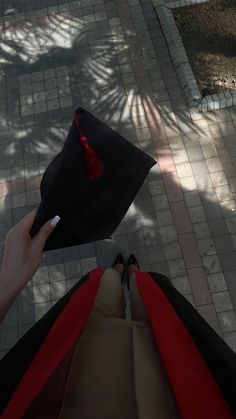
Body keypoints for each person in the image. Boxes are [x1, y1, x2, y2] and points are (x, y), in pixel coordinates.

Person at [0, 210, 236, 419]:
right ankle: (132, 276)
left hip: (65, 388)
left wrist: (9, 282)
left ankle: (120, 273)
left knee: (103, 292)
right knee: (150, 303)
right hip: (184, 394)